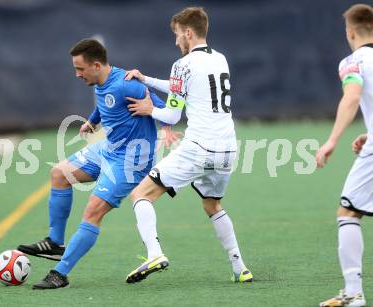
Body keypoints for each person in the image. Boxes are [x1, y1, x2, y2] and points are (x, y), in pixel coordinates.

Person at [17, 38, 178, 289]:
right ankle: (55, 242)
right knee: (59, 173)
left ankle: (60, 274)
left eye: (80, 69)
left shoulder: (127, 84)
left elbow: (162, 106)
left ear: (96, 64)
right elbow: (105, 105)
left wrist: (166, 127)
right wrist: (92, 121)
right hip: (108, 149)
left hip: (131, 160)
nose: (77, 74)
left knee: (92, 212)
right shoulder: (99, 81)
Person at [122, 7, 253, 284]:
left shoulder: (182, 64)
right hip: (228, 149)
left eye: (177, 34)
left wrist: (149, 109)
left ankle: (154, 253)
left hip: (199, 148)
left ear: (189, 33)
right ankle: (240, 268)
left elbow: (172, 115)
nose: (176, 41)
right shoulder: (220, 59)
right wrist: (146, 79)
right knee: (212, 205)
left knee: (140, 195)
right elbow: (183, 87)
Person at [316, 4, 373, 307]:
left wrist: (332, 140)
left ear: (350, 31)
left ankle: (353, 293)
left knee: (348, 212)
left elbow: (352, 96)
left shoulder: (353, 61)